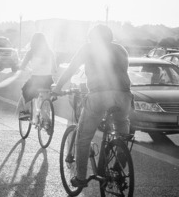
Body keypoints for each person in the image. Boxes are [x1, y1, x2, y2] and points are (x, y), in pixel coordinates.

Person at [53, 24, 132, 187]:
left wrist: (58, 87)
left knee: (83, 137)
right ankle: (118, 167)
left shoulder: (88, 48)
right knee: (123, 130)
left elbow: (71, 69)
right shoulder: (121, 49)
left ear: (92, 37)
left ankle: (81, 178)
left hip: (100, 95)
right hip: (124, 96)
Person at [17, 32, 57, 119]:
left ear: (33, 42)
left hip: (35, 80)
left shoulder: (31, 53)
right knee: (47, 97)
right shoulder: (50, 52)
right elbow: (55, 69)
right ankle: (46, 118)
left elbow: (22, 66)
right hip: (48, 80)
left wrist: (26, 69)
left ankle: (26, 112)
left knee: (25, 91)